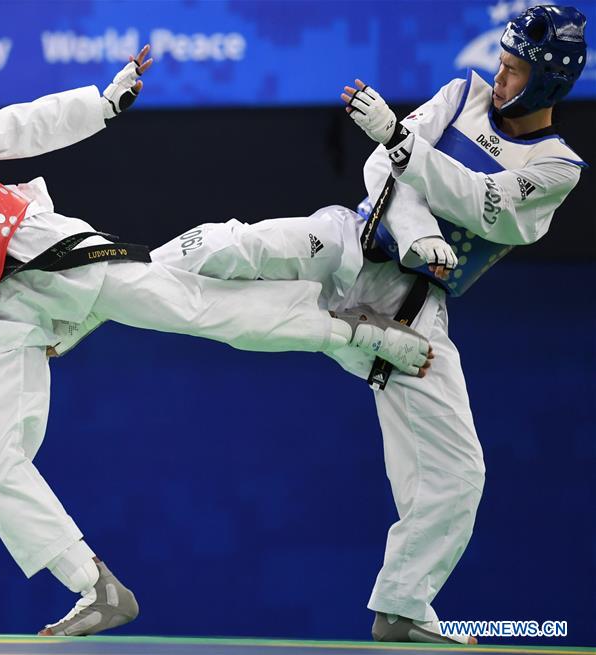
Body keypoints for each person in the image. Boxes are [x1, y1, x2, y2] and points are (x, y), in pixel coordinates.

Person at [0, 46, 435, 636]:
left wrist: (100, 104)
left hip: (49, 251)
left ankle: (347, 330)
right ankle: (96, 587)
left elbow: (6, 128)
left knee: (202, 312)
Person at [56, 5, 589, 644]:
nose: (498, 78)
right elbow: (380, 170)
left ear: (549, 81)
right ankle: (95, 299)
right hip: (349, 241)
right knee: (227, 246)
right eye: (501, 64)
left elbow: (479, 203)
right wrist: (411, 204)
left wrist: (401, 146)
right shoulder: (460, 94)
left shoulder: (556, 168)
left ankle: (403, 606)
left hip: (411, 314)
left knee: (459, 475)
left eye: (514, 70)